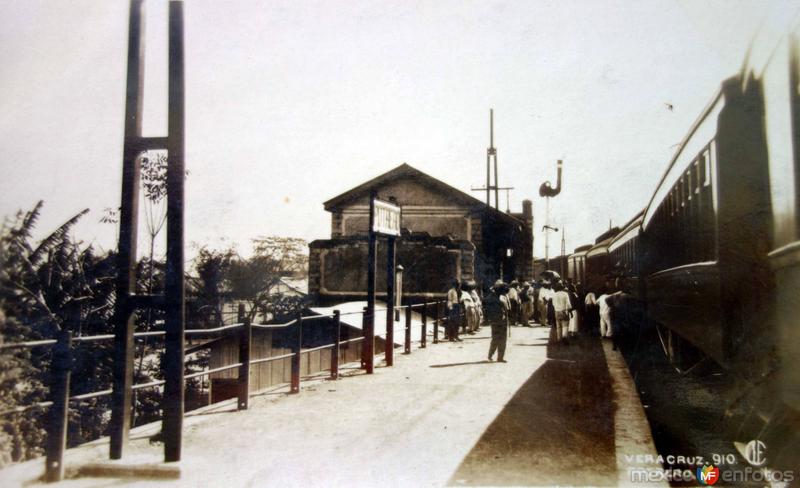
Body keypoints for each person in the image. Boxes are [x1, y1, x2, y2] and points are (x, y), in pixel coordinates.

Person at [485, 280, 510, 362]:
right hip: (499, 320)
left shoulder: (490, 297)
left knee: (496, 338)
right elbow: (507, 308)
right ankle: (499, 357)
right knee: (502, 339)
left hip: (495, 320)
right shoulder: (500, 298)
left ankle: (491, 355)